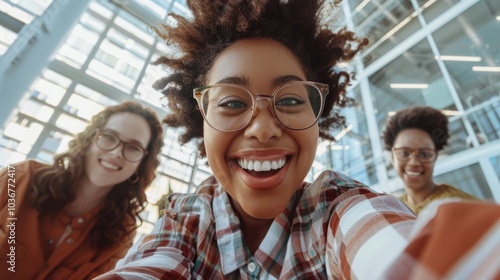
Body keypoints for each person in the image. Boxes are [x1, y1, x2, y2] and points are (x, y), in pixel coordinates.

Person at [97, 1, 500, 279]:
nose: (262, 128)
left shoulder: (335, 208)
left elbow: (387, 245)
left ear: (317, 117)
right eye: (232, 102)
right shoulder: (184, 223)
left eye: (290, 100)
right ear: (199, 121)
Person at [0, 101, 164, 279]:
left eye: (133, 147)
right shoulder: (20, 176)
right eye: (109, 137)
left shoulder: (121, 232)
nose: (117, 152)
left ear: (141, 164)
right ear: (89, 140)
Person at [382, 106, 478, 215]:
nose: (414, 162)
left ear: (435, 156)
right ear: (392, 157)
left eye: (424, 154)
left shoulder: (462, 207)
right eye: (404, 153)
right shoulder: (393, 209)